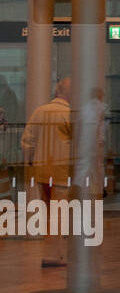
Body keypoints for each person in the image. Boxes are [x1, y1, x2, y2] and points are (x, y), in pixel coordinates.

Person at [22, 77, 73, 268]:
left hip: (43, 171)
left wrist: (31, 161)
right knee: (60, 214)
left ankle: (52, 252)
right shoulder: (70, 115)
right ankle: (54, 254)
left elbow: (28, 142)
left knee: (49, 212)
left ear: (56, 92)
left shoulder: (39, 112)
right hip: (63, 172)